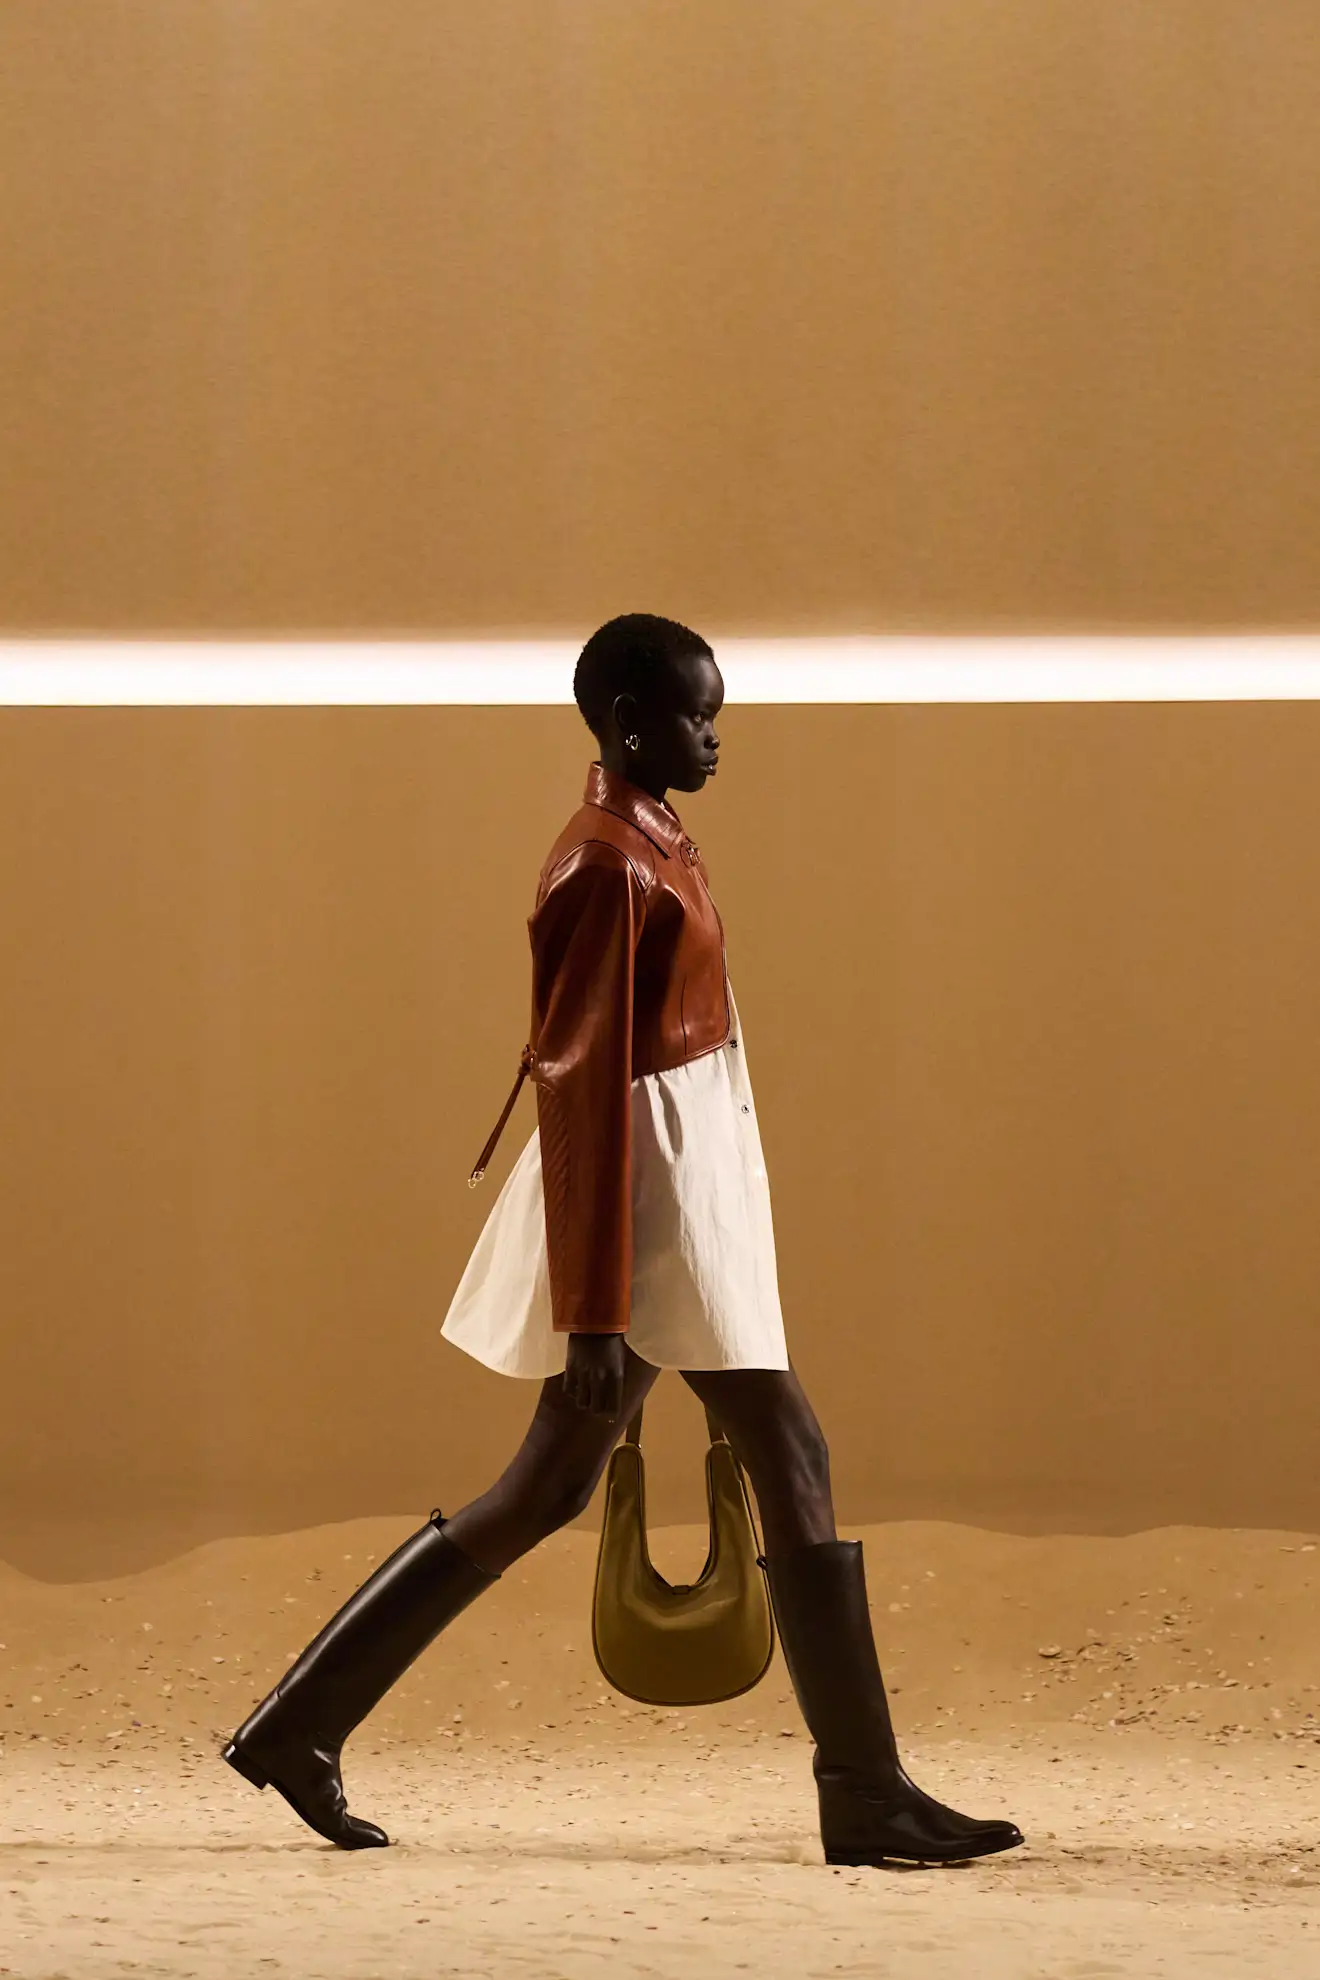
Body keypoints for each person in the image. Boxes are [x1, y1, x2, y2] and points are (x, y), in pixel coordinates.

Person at [222, 613, 1023, 1868]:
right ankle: (864, 1789)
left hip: (681, 1183)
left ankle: (296, 1727)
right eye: (698, 716)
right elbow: (582, 1090)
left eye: (718, 716)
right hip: (652, 1202)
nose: (715, 738)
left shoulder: (649, 839)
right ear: (628, 722)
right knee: (786, 1443)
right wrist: (593, 1313)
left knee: (550, 1486)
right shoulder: (603, 865)